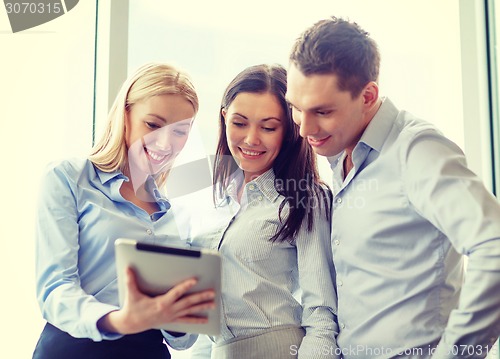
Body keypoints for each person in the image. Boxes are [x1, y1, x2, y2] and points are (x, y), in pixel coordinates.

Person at [286, 16, 500, 358]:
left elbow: (495, 245)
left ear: (368, 95)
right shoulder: (341, 153)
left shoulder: (417, 150)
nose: (304, 127)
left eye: (322, 111)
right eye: (296, 108)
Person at [33, 62, 216, 359]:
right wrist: (120, 320)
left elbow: (183, 340)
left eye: (180, 132)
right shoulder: (69, 178)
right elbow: (54, 289)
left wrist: (181, 313)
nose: (166, 143)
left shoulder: (176, 215)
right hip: (73, 349)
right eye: (153, 125)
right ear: (126, 115)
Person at [188, 64, 339, 358]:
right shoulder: (214, 198)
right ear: (224, 118)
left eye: (268, 127)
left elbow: (321, 315)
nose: (251, 139)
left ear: (290, 131)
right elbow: (207, 317)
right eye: (240, 123)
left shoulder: (306, 198)